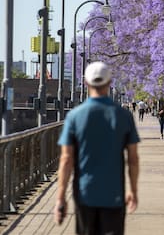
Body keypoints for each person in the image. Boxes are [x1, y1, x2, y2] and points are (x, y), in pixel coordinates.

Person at [54, 61, 140, 235]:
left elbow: (66, 159)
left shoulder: (74, 116)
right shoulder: (124, 115)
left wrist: (60, 198)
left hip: (85, 192)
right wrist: (133, 189)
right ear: (109, 83)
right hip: (114, 193)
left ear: (86, 83)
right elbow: (133, 158)